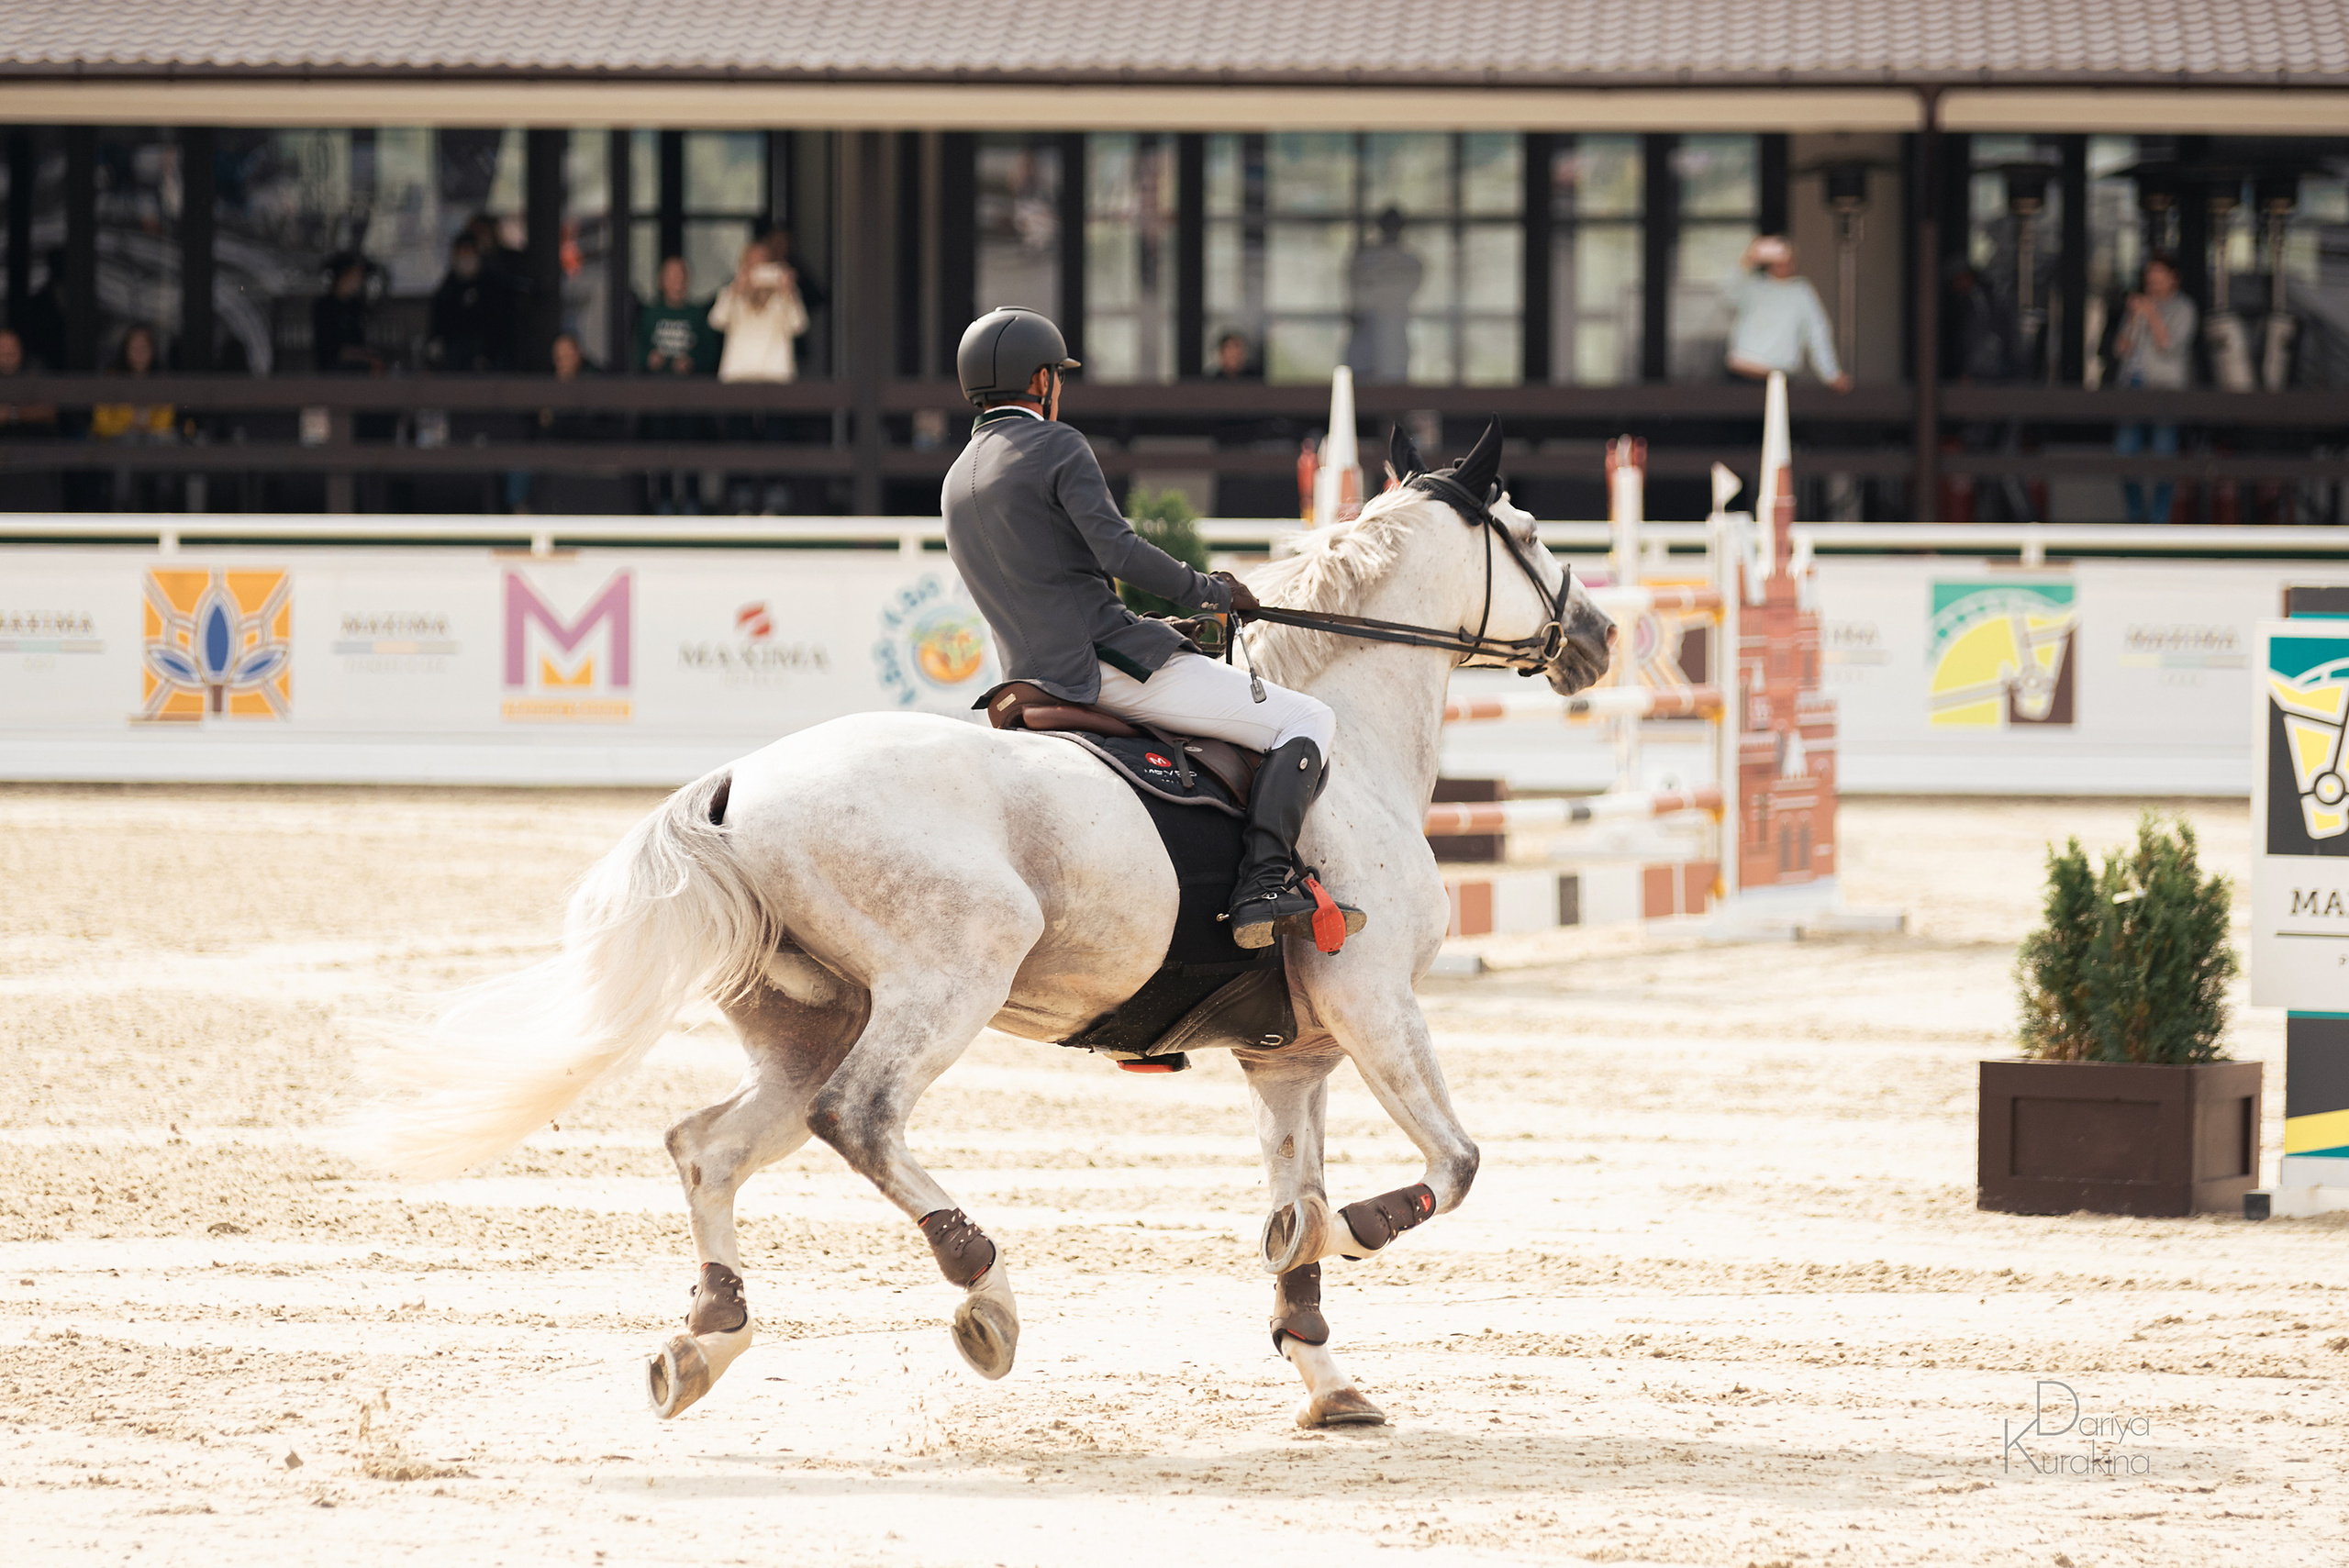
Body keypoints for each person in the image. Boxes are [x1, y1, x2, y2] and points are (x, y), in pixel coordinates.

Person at [942, 306, 1363, 948]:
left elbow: (1054, 584)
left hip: (1026, 680)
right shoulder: (1056, 444)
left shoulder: (957, 478)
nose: (1060, 387)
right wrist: (1208, 592)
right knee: (1308, 720)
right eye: (1057, 375)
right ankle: (1263, 882)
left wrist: (1156, 622)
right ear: (1038, 379)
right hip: (1105, 670)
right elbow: (1119, 552)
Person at [2111, 252, 2197, 527]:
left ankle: (2159, 520)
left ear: (2173, 279)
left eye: (2159, 281)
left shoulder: (2184, 309)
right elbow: (2120, 350)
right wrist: (2135, 318)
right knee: (2124, 454)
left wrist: (2151, 313)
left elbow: (2169, 345)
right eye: (2150, 281)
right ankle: (2136, 517)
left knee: (2164, 456)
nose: (2154, 286)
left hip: (2165, 389)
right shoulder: (2137, 308)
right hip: (2133, 385)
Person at [1723, 237, 1850, 390]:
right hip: (1742, 372)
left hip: (1778, 377)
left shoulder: (1801, 292)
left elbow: (1817, 333)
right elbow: (1728, 295)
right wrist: (1748, 260)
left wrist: (1831, 374)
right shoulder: (1752, 286)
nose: (1783, 264)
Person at [708, 239, 809, 384]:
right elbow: (716, 322)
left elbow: (799, 326)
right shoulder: (732, 293)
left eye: (763, 264)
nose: (757, 271)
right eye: (752, 265)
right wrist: (735, 290)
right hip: (737, 377)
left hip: (777, 378)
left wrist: (789, 293)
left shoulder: (785, 296)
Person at [1347, 206, 1422, 382]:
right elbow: (1357, 297)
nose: (1391, 231)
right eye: (1388, 226)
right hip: (1367, 338)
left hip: (1394, 336)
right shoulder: (1364, 260)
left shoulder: (1410, 262)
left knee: (1393, 382)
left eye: (1395, 226)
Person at [428, 234, 504, 373]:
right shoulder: (447, 289)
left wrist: (487, 354)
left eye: (470, 251)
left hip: (485, 360)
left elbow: (499, 326)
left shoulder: (491, 287)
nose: (466, 257)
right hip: (452, 360)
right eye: (462, 252)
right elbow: (438, 324)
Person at [638, 256, 718, 376]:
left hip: (690, 388)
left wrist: (692, 362)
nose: (677, 281)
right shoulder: (649, 314)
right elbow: (636, 350)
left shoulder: (698, 315)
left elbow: (710, 353)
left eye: (681, 276)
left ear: (688, 280)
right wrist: (649, 359)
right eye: (671, 276)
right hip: (654, 386)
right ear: (661, 280)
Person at [311, 251, 383, 374]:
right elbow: (331, 348)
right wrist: (366, 357)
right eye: (355, 276)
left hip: (358, 369)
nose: (358, 281)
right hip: (333, 370)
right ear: (342, 276)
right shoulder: (324, 306)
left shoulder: (355, 306)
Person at [0, 328, 57, 439]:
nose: (8, 352)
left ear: (21, 349)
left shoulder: (34, 370)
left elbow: (49, 411)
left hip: (34, 440)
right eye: (2, 348)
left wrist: (11, 413)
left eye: (13, 347)